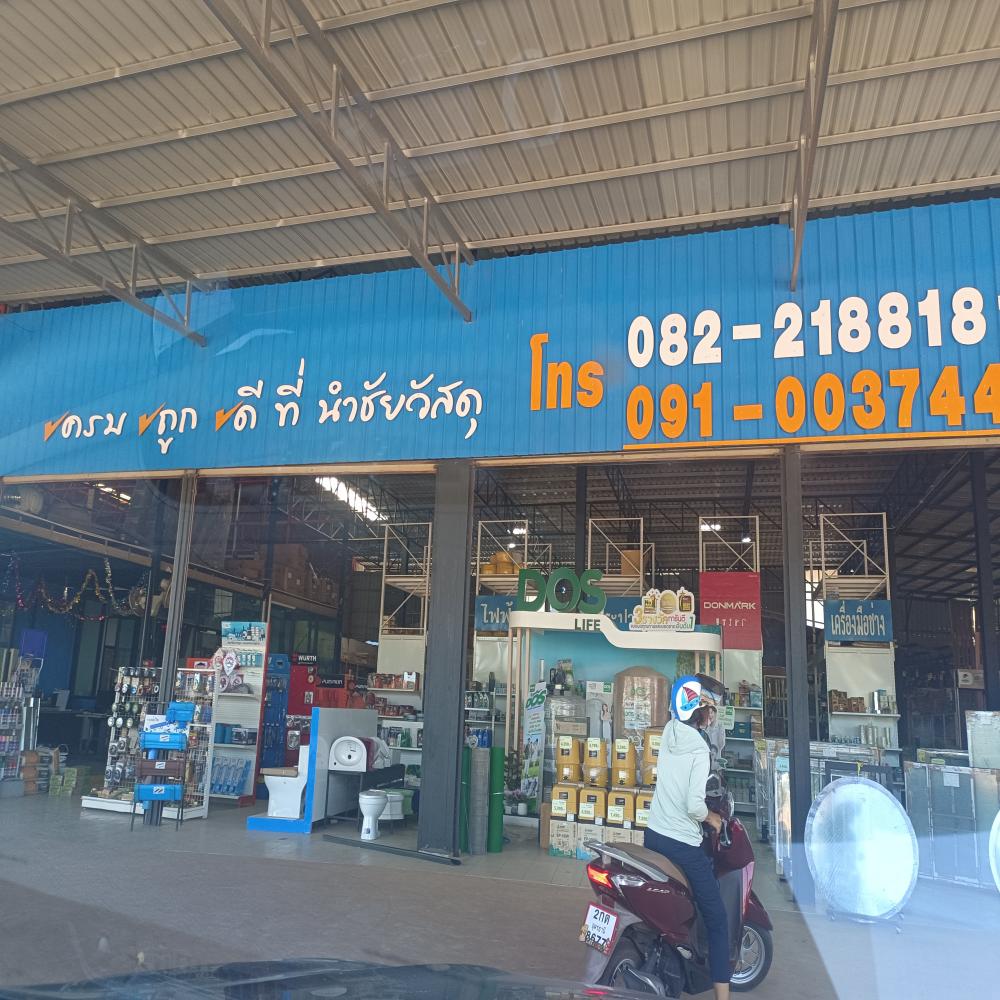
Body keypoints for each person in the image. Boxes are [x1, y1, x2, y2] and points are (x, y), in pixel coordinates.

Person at [645, 675, 731, 1000]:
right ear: (701, 710)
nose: (713, 715)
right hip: (682, 843)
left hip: (654, 835)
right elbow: (694, 805)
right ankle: (723, 995)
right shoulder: (698, 748)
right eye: (711, 709)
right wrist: (712, 818)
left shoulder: (669, 731)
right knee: (717, 920)